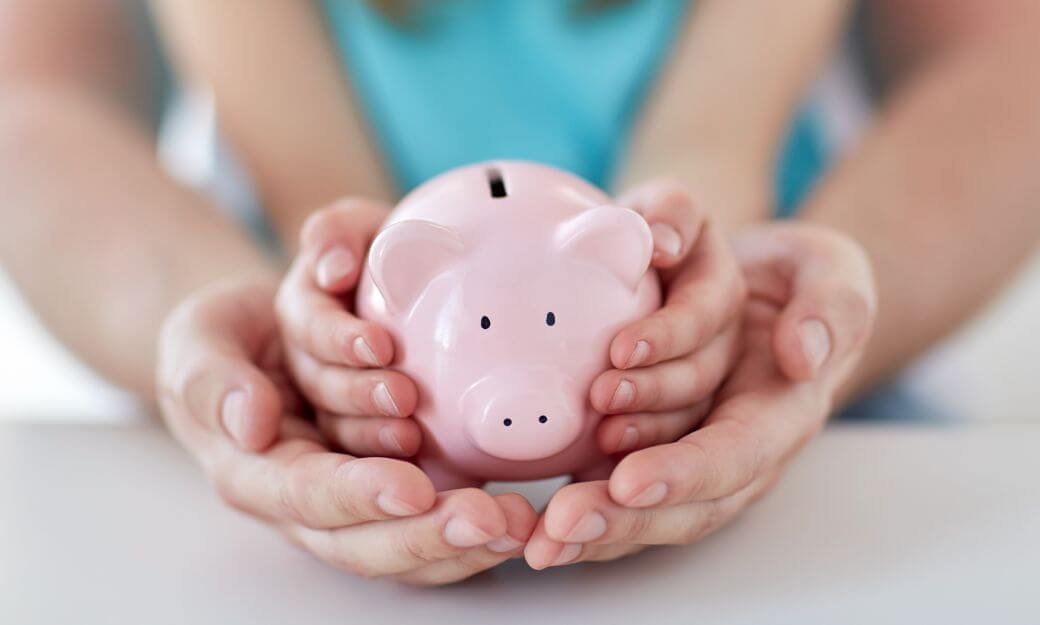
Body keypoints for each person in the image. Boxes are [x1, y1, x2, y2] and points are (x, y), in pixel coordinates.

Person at [0, 0, 1037, 585]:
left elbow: (1006, 73)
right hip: (293, 431)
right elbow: (33, 101)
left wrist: (819, 308)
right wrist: (218, 317)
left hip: (796, 413)